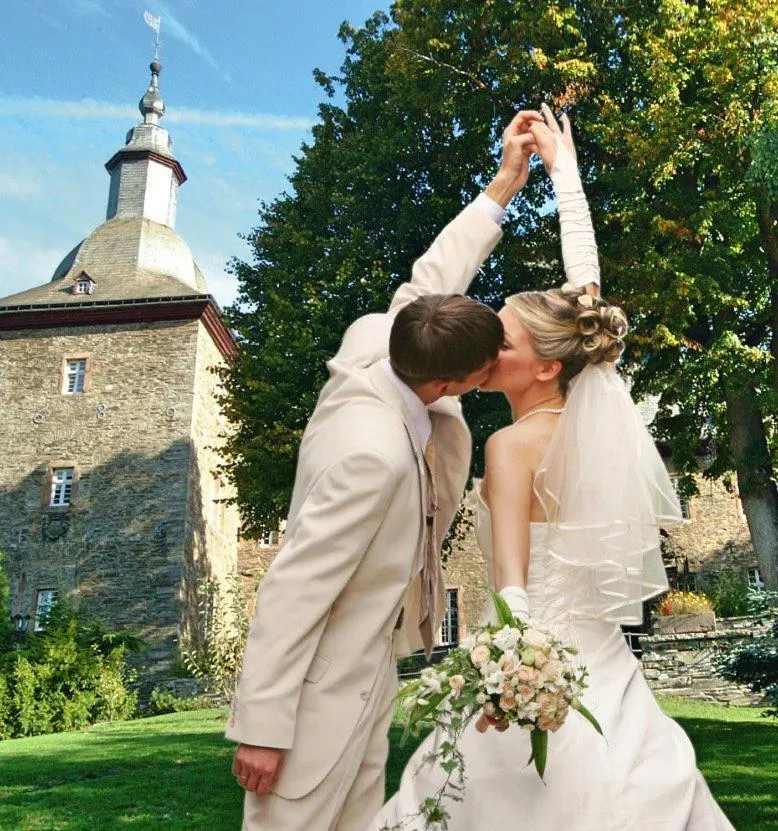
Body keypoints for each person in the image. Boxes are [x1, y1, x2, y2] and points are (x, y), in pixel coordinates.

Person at [369, 105, 735, 830]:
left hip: (532, 660)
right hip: (603, 662)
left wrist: (509, 673)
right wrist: (563, 174)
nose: (487, 347)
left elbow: (513, 587)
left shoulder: (511, 446)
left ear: (542, 366)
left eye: (502, 342)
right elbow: (585, 285)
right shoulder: (586, 405)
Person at [226, 114, 543, 831]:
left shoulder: (383, 339)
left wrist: (504, 183)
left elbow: (432, 278)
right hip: (318, 696)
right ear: (449, 384)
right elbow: (294, 586)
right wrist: (263, 727)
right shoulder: (369, 457)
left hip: (373, 667)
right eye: (484, 371)